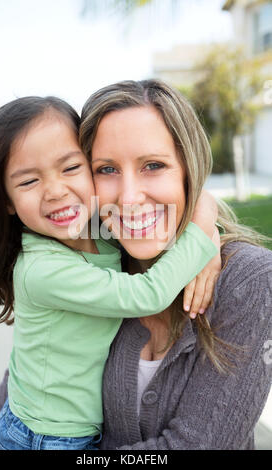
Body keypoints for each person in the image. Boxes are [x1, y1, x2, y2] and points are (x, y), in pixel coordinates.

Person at [0, 96, 219, 451]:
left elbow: (159, 215)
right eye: (28, 182)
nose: (56, 191)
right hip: (47, 437)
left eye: (70, 168)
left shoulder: (100, 235)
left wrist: (211, 243)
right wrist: (203, 225)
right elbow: (145, 294)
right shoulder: (43, 270)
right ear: (7, 201)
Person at [78, 79, 272, 450]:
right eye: (106, 169)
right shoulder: (86, 270)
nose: (130, 197)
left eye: (153, 165)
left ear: (189, 170)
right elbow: (20, 404)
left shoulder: (249, 280)